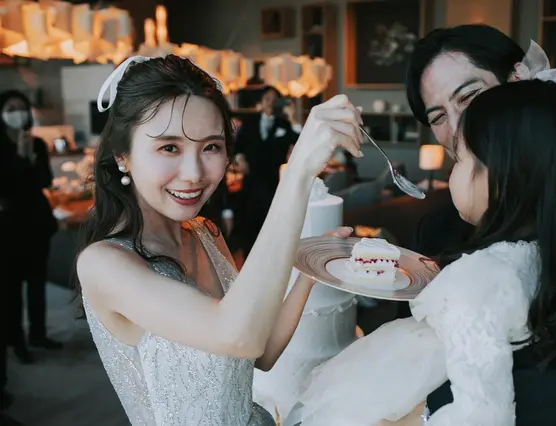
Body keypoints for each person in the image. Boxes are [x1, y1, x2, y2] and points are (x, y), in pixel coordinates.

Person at [286, 76, 556, 425]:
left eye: (460, 159)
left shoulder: (476, 280)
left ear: (501, 181)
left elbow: (481, 414)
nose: (453, 170)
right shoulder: (552, 261)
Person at [75, 55, 362, 426]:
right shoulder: (104, 264)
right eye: (169, 147)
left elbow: (260, 350)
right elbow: (237, 335)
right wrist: (298, 172)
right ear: (123, 156)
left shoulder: (205, 233)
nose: (194, 174)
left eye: (211, 147)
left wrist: (309, 269)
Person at [406, 25, 556, 426]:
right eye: (439, 116)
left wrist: (443, 410)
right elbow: (419, 343)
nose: (457, 125)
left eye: (469, 96)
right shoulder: (441, 229)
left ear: (519, 82)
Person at [0, 90, 61, 365]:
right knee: (11, 288)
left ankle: (38, 334)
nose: (17, 112)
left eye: (21, 107)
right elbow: (6, 186)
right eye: (11, 107)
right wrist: (22, 159)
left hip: (37, 222)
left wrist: (30, 159)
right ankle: (17, 341)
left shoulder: (36, 143)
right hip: (9, 227)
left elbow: (45, 181)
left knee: (37, 284)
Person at [233, 86, 302, 256]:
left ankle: (271, 256)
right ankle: (249, 258)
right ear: (261, 102)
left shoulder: (284, 124)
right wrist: (240, 158)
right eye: (267, 99)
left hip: (273, 182)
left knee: (272, 222)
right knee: (250, 222)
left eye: (274, 99)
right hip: (251, 181)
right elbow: (237, 145)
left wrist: (292, 118)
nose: (270, 102)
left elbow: (301, 142)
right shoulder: (250, 121)